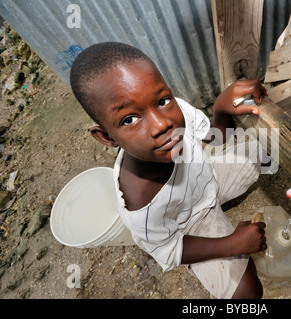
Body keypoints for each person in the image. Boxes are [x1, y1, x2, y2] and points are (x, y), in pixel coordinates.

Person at [70, 42, 268, 299]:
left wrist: (221, 106)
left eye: (163, 100)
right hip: (190, 226)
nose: (162, 123)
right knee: (247, 293)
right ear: (106, 137)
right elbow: (171, 250)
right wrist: (232, 244)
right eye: (130, 119)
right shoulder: (141, 208)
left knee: (266, 151)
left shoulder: (175, 111)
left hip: (207, 179)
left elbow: (215, 138)